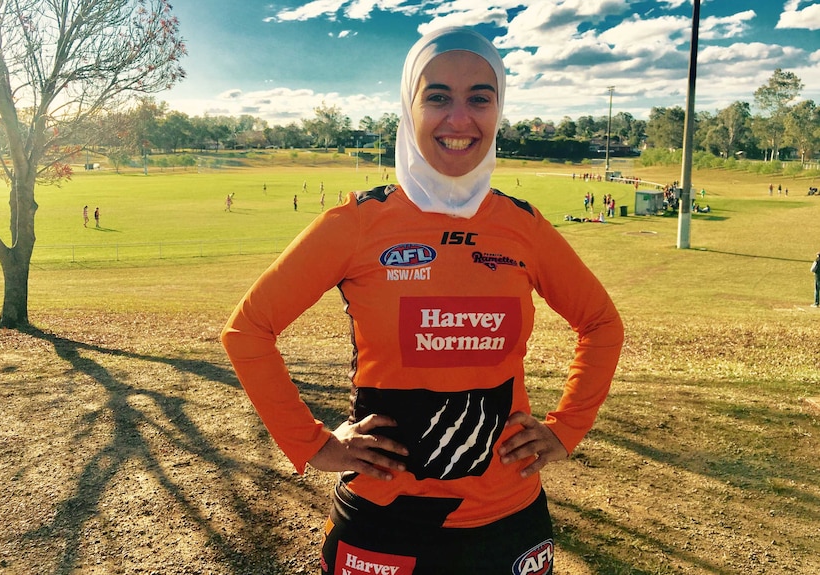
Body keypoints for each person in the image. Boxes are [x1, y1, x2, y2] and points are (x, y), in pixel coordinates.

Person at [221, 27, 623, 575]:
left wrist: (566, 427)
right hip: (385, 522)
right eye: (437, 97)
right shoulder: (357, 224)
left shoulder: (523, 227)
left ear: (498, 110)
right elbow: (248, 331)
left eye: (480, 98)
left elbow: (600, 323)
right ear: (408, 109)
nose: (460, 119)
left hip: (508, 521)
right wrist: (312, 445)